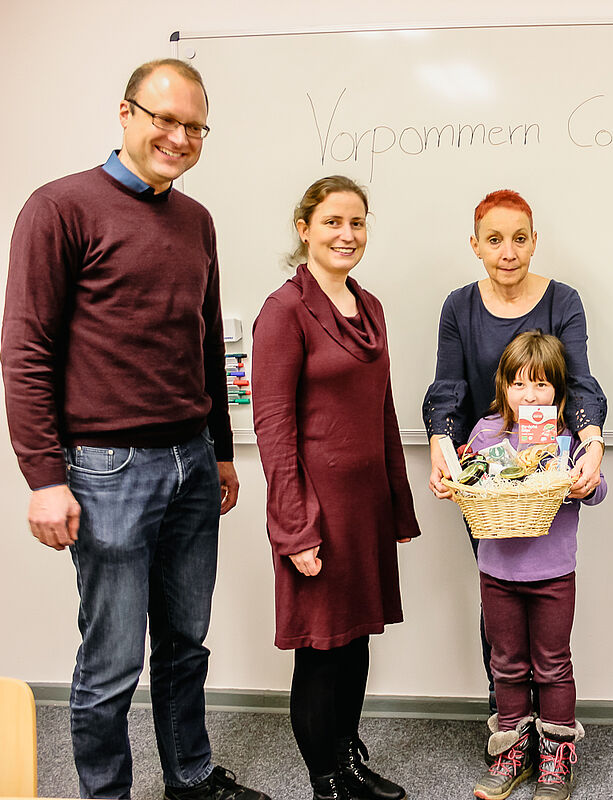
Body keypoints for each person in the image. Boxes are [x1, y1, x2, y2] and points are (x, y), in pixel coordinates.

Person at [0, 58, 268, 800]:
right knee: (112, 662)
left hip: (191, 462)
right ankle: (106, 794)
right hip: (106, 471)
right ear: (126, 114)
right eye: (165, 119)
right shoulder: (59, 208)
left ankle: (190, 777)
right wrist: (44, 477)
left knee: (185, 645)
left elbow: (205, 345)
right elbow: (25, 350)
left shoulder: (196, 221)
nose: (179, 138)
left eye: (195, 127)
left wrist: (221, 452)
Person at [252, 176, 421, 800]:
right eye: (332, 222)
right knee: (321, 650)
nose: (347, 235)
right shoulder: (284, 311)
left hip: (365, 506)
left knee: (355, 640)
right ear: (304, 229)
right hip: (316, 508)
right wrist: (295, 528)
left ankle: (347, 761)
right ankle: (325, 782)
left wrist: (397, 505)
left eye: (357, 222)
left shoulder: (369, 306)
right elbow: (273, 427)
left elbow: (382, 412)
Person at [423, 189, 607, 709]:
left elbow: (580, 383)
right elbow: (448, 389)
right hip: (485, 477)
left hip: (550, 475)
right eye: (495, 240)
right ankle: (506, 714)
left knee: (548, 598)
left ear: (534, 242)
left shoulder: (563, 301)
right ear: (475, 245)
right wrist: (441, 445)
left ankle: (549, 718)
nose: (508, 252)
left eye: (520, 239)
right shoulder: (459, 306)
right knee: (496, 591)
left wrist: (592, 443)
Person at [447, 330, 604, 800]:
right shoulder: (487, 432)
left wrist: (583, 483)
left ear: (558, 388)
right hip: (497, 574)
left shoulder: (572, 437)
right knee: (507, 664)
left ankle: (556, 757)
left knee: (553, 665)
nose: (529, 395)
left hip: (553, 574)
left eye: (540, 384)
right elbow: (467, 482)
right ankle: (512, 750)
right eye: (518, 384)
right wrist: (458, 481)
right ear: (503, 386)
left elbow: (598, 489)